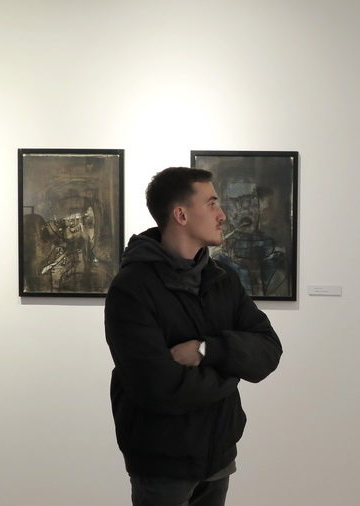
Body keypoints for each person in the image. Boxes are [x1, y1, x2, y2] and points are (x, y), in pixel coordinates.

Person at [105, 167, 282, 506]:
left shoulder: (223, 278)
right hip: (161, 463)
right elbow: (158, 388)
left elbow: (268, 350)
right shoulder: (132, 289)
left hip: (218, 455)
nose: (223, 215)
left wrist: (207, 350)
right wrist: (232, 372)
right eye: (212, 203)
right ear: (181, 215)